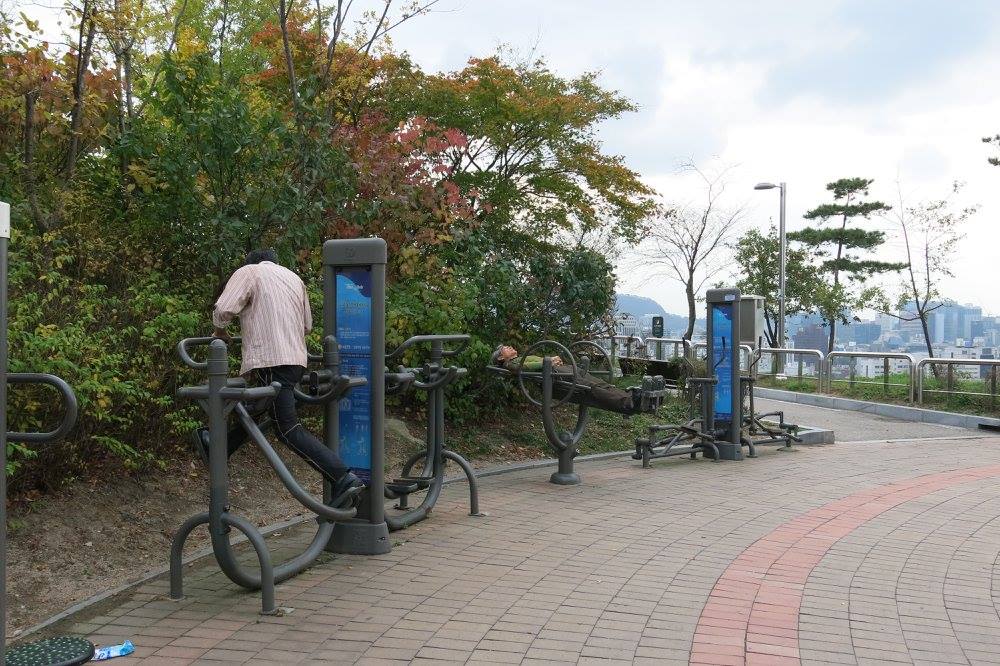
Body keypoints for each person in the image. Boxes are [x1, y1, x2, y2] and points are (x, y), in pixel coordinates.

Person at [191, 249, 363, 507]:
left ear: (251, 262)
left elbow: (224, 309)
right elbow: (307, 326)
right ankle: (219, 445)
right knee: (259, 408)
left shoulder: (250, 272)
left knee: (286, 428)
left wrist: (219, 333)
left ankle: (343, 477)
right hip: (295, 359)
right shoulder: (294, 279)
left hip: (271, 359)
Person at [495, 345, 660, 415]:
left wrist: (551, 361)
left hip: (562, 371)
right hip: (557, 378)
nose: (509, 347)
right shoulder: (511, 364)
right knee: (593, 389)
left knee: (600, 385)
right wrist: (549, 361)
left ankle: (636, 397)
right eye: (505, 349)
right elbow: (525, 367)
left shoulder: (520, 358)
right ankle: (631, 403)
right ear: (501, 358)